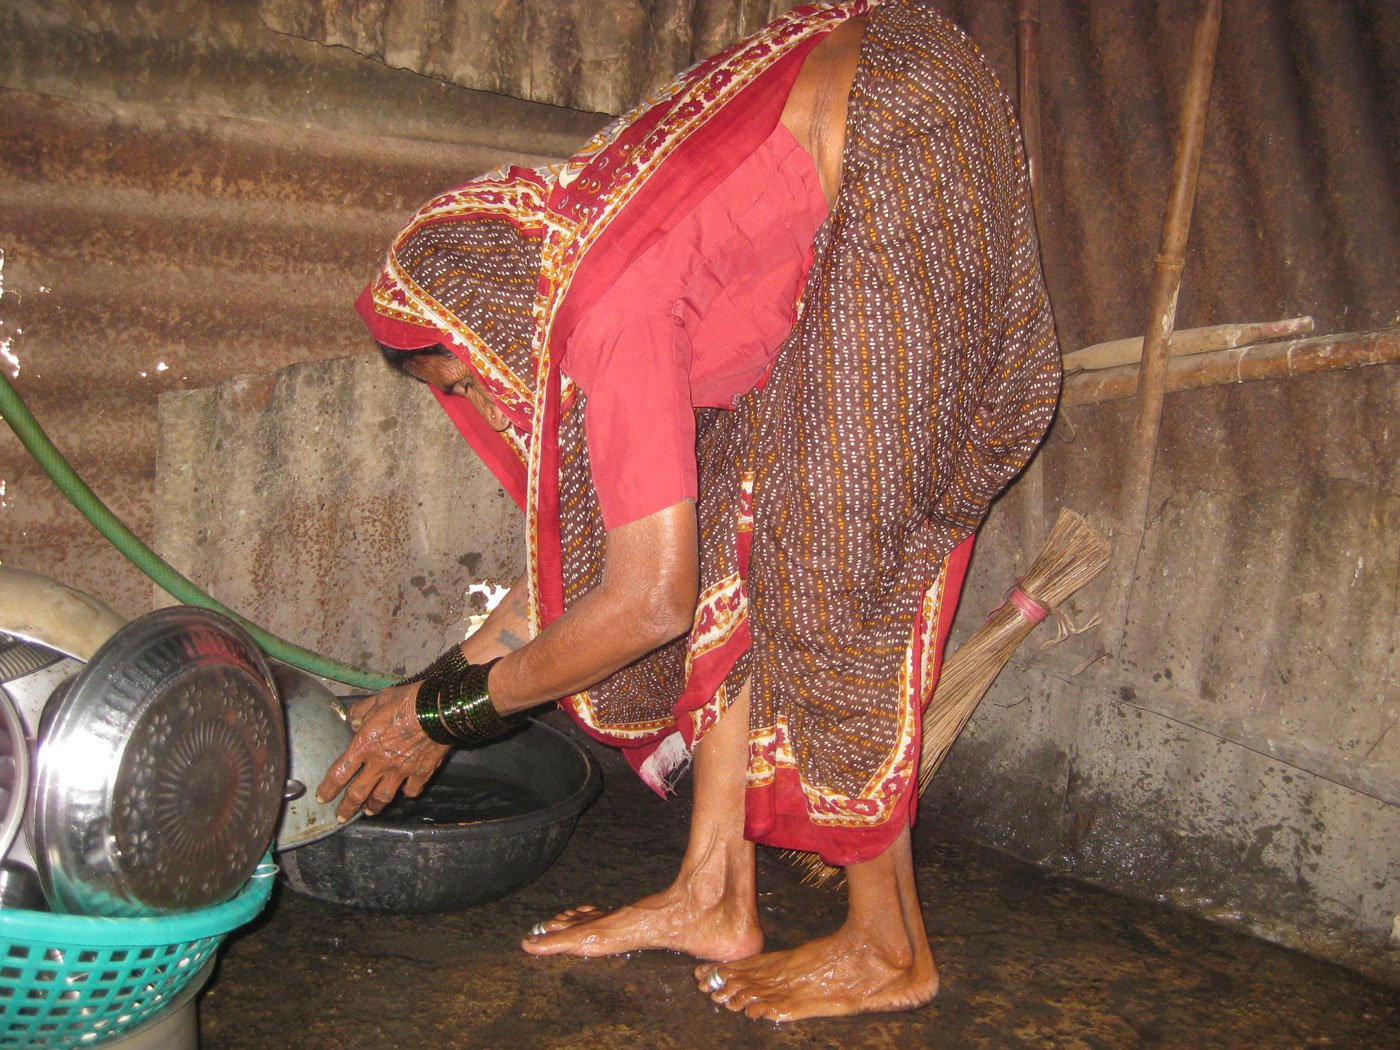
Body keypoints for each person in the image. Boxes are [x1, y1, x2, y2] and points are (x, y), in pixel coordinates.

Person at [318, 0, 1059, 1023]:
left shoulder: (606, 312)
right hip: (873, 134)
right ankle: (711, 891)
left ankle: (890, 948)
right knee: (726, 531)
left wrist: (444, 716)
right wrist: (422, 695)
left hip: (903, 123)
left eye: (467, 376)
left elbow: (642, 604)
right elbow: (591, 588)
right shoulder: (583, 258)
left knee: (824, 557)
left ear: (486, 315)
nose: (489, 404)